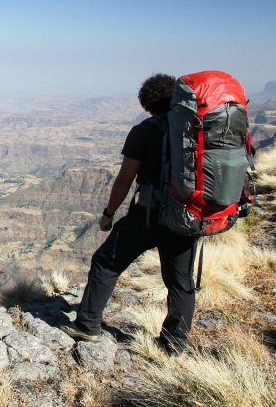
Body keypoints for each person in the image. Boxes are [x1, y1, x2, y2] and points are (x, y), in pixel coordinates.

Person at [60, 73, 197, 355]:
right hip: (186, 216)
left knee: (106, 262)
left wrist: (108, 214)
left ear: (146, 103)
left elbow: (124, 180)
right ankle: (174, 345)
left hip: (149, 216)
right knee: (181, 282)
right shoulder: (193, 128)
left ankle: (87, 325)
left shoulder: (144, 131)